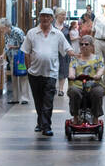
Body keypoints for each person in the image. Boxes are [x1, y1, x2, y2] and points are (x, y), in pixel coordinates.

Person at [22, 8, 76, 136]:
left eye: (48, 16)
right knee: (38, 101)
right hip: (34, 73)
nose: (45, 19)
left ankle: (46, 126)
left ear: (52, 18)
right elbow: (26, 52)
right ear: (39, 17)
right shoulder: (32, 33)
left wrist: (78, 55)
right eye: (43, 16)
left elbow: (67, 48)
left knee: (48, 100)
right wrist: (29, 69)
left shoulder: (57, 34)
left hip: (51, 73)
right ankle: (40, 122)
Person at [68, 35, 105, 122]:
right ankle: (75, 117)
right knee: (73, 91)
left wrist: (98, 75)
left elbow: (101, 68)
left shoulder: (98, 58)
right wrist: (72, 75)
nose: (83, 46)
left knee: (98, 92)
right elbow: (72, 69)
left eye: (86, 44)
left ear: (92, 46)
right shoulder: (75, 59)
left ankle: (95, 118)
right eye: (81, 44)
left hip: (94, 85)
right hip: (78, 85)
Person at [0, 19, 29, 105]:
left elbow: (25, 44)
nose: (1, 30)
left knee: (23, 76)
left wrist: (13, 47)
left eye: (2, 28)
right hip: (12, 58)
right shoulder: (6, 34)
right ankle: (15, 98)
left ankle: (25, 98)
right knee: (14, 77)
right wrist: (3, 54)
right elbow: (7, 46)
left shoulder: (17, 32)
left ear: (7, 27)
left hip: (20, 58)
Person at [55, 10, 72, 95]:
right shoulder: (51, 26)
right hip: (53, 51)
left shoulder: (66, 27)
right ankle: (54, 87)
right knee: (54, 69)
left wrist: (70, 51)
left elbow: (69, 41)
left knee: (63, 69)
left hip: (64, 52)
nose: (64, 16)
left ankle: (61, 89)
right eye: (62, 14)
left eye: (64, 15)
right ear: (57, 15)